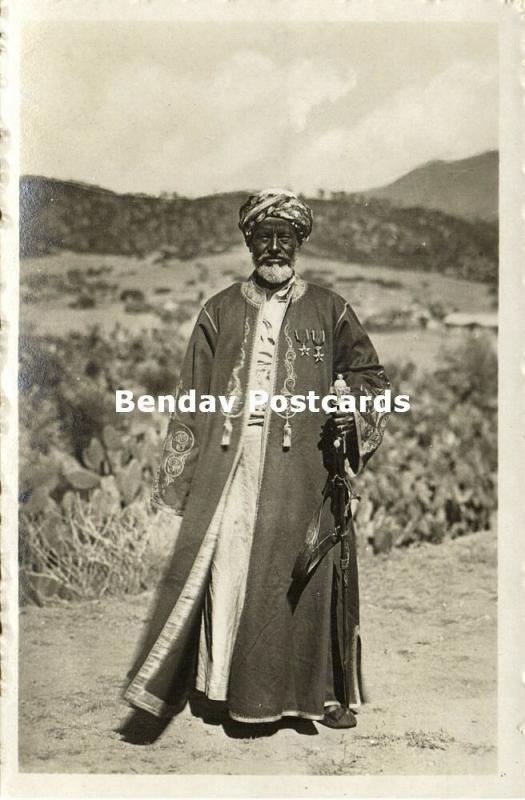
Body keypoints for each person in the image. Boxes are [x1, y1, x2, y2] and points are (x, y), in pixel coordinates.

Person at [123, 189, 389, 730]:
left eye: (284, 237)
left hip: (303, 471)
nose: (274, 246)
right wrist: (179, 482)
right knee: (227, 571)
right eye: (263, 236)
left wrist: (351, 415)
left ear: (298, 244)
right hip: (230, 470)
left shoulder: (330, 308)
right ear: (248, 241)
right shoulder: (219, 309)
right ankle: (220, 689)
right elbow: (193, 395)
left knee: (296, 579)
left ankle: (310, 696)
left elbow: (372, 380)